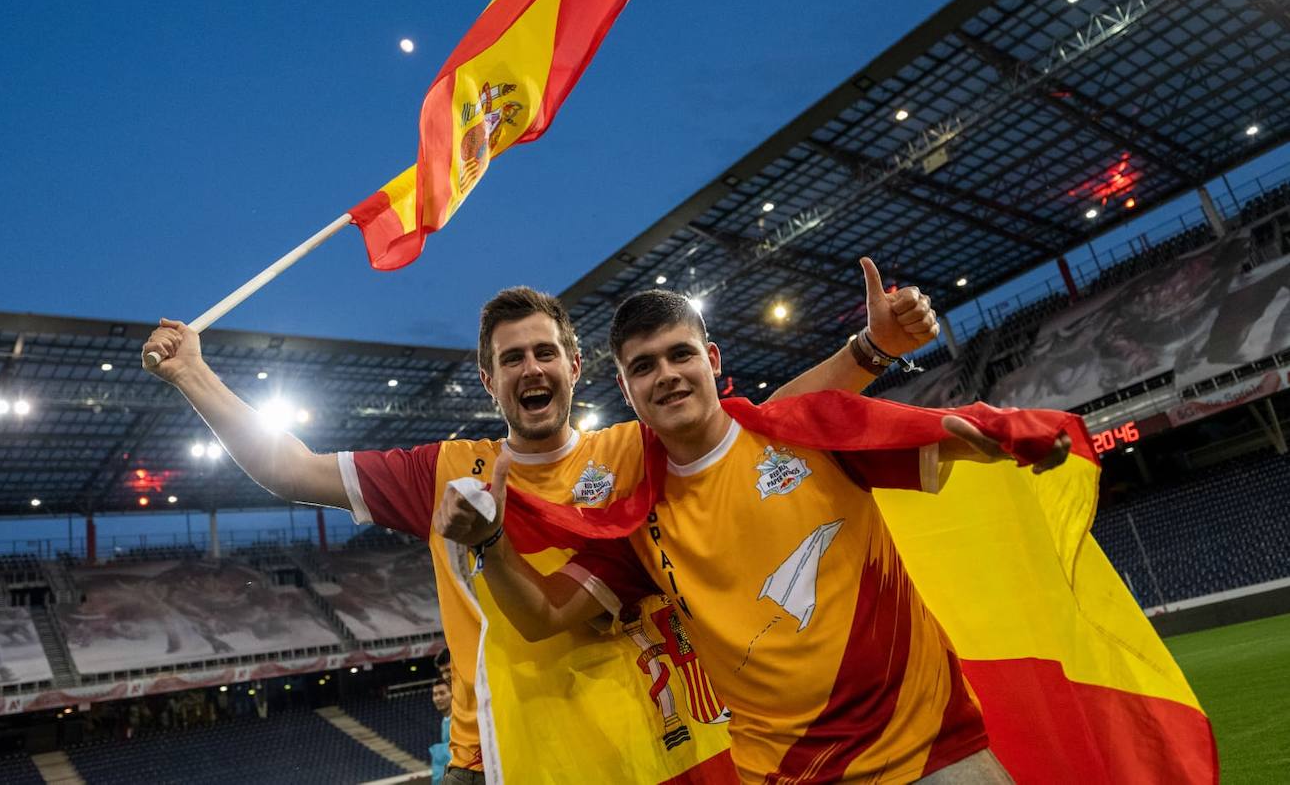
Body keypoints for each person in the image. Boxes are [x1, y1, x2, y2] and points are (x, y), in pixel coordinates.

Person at [141, 260, 938, 784]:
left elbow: (767, 423)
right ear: (489, 380)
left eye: (545, 352)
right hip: (502, 757)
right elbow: (289, 468)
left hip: (665, 747)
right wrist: (194, 375)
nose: (532, 368)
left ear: (576, 366)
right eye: (513, 358)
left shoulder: (636, 448)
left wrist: (870, 349)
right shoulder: (447, 471)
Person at [437, 289, 1076, 783]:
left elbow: (949, 433)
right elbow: (543, 616)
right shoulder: (633, 519)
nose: (667, 375)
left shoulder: (806, 428)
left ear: (712, 360)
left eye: (680, 354)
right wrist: (491, 545)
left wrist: (1011, 433)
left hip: (933, 756)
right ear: (628, 391)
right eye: (644, 366)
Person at [430, 678, 453, 785]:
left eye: (442, 693)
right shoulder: (444, 722)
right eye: (435, 694)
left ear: (452, 694)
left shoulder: (460, 720)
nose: (438, 698)